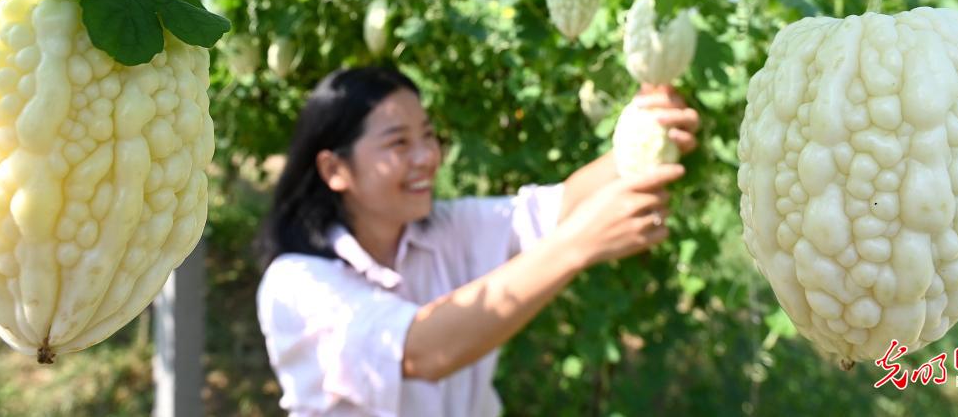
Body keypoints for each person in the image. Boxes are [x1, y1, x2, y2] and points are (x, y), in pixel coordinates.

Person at [255, 66, 699, 416]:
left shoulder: (447, 227)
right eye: (399, 143)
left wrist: (645, 127)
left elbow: (560, 205)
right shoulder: (296, 284)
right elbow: (421, 352)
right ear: (335, 169)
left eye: (429, 136)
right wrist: (575, 246)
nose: (427, 157)